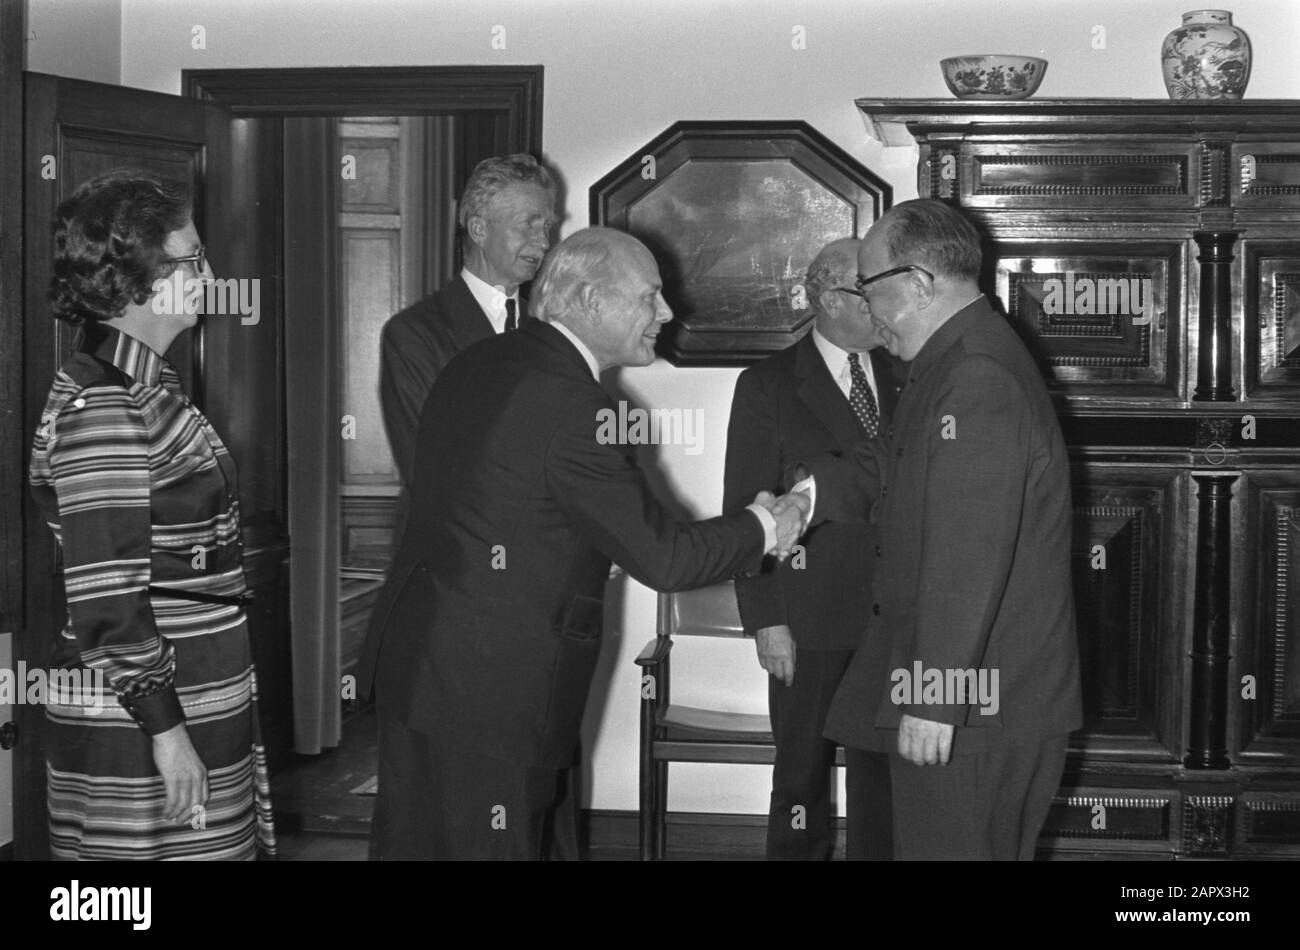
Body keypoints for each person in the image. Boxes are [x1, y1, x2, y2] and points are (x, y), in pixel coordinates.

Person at [358, 227, 810, 860]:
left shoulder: (481, 361)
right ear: (593, 301)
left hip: (425, 663)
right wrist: (767, 526)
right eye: (650, 296)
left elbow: (499, 506)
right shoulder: (574, 404)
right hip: (496, 686)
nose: (667, 312)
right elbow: (666, 558)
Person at [814, 198, 1083, 860]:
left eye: (868, 287)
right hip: (972, 689)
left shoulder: (975, 374)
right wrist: (803, 498)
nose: (867, 309)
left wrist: (935, 696)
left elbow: (969, 553)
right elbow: (901, 471)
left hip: (976, 701)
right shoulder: (954, 360)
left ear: (920, 283)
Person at [29, 168, 276, 860]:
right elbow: (108, 598)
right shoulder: (104, 405)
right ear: (137, 277)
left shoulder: (149, 385)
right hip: (138, 719)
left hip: (194, 688)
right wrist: (166, 732)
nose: (209, 270)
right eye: (192, 257)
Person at [723, 238, 900, 860]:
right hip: (809, 611)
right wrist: (767, 618)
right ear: (828, 298)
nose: (882, 305)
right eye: (867, 290)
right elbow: (746, 508)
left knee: (886, 776)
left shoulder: (912, 373)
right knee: (802, 774)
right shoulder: (768, 386)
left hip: (895, 616)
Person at [379, 153, 559, 492]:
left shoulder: (552, 332)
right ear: (479, 228)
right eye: (528, 225)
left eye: (547, 227)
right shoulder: (414, 335)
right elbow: (433, 469)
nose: (544, 243)